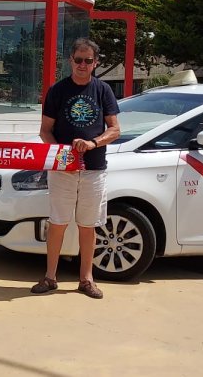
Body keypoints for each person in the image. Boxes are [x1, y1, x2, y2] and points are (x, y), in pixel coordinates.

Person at [32, 38, 121, 299]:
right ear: (71, 60)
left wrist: (93, 143)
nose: (83, 65)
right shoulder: (57, 91)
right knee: (57, 222)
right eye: (78, 60)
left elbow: (115, 129)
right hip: (63, 170)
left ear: (95, 63)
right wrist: (62, 155)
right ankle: (50, 277)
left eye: (88, 60)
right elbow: (45, 131)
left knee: (88, 225)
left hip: (94, 169)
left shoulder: (103, 90)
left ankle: (86, 279)